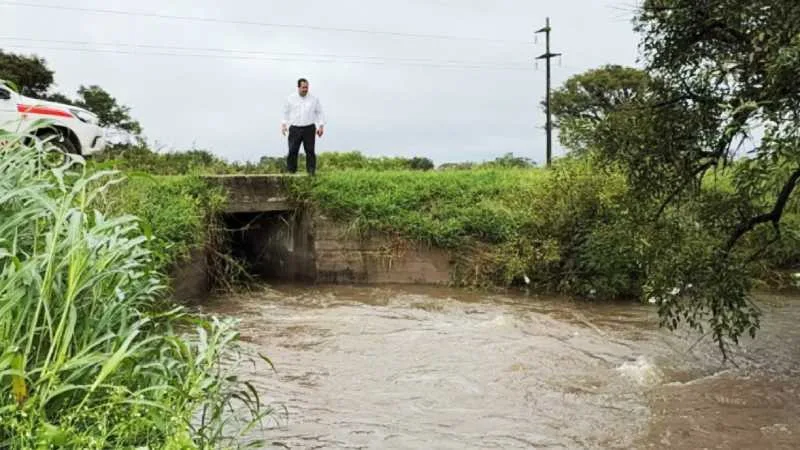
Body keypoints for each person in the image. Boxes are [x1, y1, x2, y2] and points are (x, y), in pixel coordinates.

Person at [281, 78, 326, 175]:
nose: (305, 89)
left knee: (310, 151)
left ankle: (311, 172)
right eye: (303, 87)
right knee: (293, 150)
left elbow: (319, 113)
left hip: (309, 128)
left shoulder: (314, 99)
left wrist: (321, 126)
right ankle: (291, 172)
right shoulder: (290, 98)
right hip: (295, 128)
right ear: (298, 87)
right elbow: (286, 113)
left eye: (307, 87)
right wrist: (284, 125)